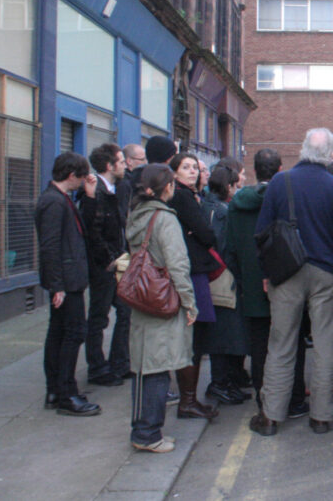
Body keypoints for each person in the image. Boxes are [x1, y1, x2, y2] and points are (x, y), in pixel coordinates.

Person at [250, 128, 333, 436]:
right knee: (324, 345)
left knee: (280, 344)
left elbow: (263, 232)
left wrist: (267, 273)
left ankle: (271, 417)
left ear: (302, 148)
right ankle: (321, 417)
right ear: (331, 155)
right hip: (327, 273)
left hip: (286, 271)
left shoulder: (281, 182)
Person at [124, 164, 199, 453]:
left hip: (141, 295)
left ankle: (141, 428)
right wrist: (189, 303)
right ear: (167, 187)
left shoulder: (136, 215)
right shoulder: (165, 219)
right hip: (162, 298)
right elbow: (178, 264)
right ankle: (148, 434)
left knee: (143, 365)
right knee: (157, 365)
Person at [224, 149, 302, 414]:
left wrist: (243, 279)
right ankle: (293, 397)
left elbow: (229, 248)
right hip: (286, 280)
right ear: (280, 170)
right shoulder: (287, 200)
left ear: (255, 171)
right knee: (290, 342)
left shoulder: (236, 204)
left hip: (251, 283)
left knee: (259, 348)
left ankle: (264, 399)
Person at [36, 152, 101, 416]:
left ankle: (56, 391)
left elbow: (82, 229)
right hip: (66, 281)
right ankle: (66, 394)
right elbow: (49, 247)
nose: (85, 179)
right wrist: (57, 286)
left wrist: (91, 195)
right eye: (82, 175)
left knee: (60, 333)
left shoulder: (60, 199)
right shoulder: (54, 202)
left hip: (68, 279)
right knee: (72, 334)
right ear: (71, 175)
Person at [165, 152, 220, 421]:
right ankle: (187, 401)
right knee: (194, 337)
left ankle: (189, 399)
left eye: (194, 168)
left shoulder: (188, 196)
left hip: (192, 270)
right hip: (192, 272)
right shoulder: (183, 197)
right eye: (185, 168)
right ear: (173, 173)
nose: (192, 172)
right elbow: (207, 234)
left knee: (194, 337)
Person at [200, 165, 252, 407]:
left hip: (214, 276)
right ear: (229, 186)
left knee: (225, 331)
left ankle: (226, 380)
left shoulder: (207, 206)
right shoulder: (221, 211)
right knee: (224, 333)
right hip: (223, 278)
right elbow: (224, 246)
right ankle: (220, 383)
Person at [81, 143, 131, 387]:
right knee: (99, 318)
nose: (125, 165)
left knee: (126, 311)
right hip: (105, 266)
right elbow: (93, 231)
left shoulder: (116, 188)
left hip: (118, 261)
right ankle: (97, 368)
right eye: (121, 162)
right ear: (110, 166)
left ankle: (119, 364)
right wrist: (109, 259)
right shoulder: (96, 191)